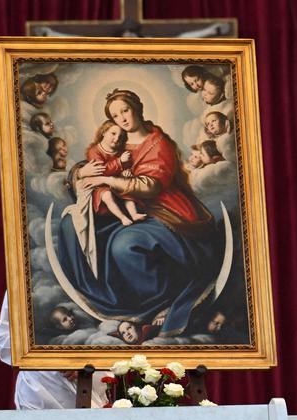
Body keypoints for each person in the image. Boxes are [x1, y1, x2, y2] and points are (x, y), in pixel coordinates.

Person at [56, 88, 219, 338]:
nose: (121, 118)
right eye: (115, 115)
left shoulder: (158, 143)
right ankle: (104, 294)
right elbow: (98, 160)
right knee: (70, 225)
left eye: (125, 110)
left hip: (164, 210)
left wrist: (107, 181)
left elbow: (149, 186)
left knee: (125, 245)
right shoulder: (117, 138)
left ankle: (156, 300)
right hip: (123, 206)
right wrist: (82, 172)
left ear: (137, 108)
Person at [85, 120, 145, 227]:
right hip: (99, 185)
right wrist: (119, 161)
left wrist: (126, 171)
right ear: (104, 132)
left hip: (114, 182)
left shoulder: (119, 151)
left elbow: (126, 166)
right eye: (113, 134)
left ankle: (134, 214)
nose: (117, 138)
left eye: (120, 136)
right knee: (107, 195)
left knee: (126, 188)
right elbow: (101, 171)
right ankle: (123, 217)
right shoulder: (94, 151)